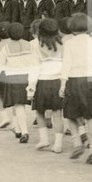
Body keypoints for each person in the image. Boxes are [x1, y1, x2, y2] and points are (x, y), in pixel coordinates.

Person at [60, 12, 92, 164]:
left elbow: (66, 64)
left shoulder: (69, 43)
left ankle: (76, 142)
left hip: (74, 79)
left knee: (70, 114)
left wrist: (62, 84)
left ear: (71, 27)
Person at [0, 21, 35, 143]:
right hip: (27, 77)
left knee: (18, 105)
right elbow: (35, 64)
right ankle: (19, 129)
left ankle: (23, 131)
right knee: (22, 105)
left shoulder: (5, 48)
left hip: (13, 79)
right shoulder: (29, 45)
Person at [27, 18, 65, 153]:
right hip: (59, 81)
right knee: (57, 113)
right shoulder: (63, 44)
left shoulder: (37, 46)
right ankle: (58, 143)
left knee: (40, 112)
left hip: (42, 82)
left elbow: (34, 68)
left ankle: (44, 139)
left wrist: (30, 88)